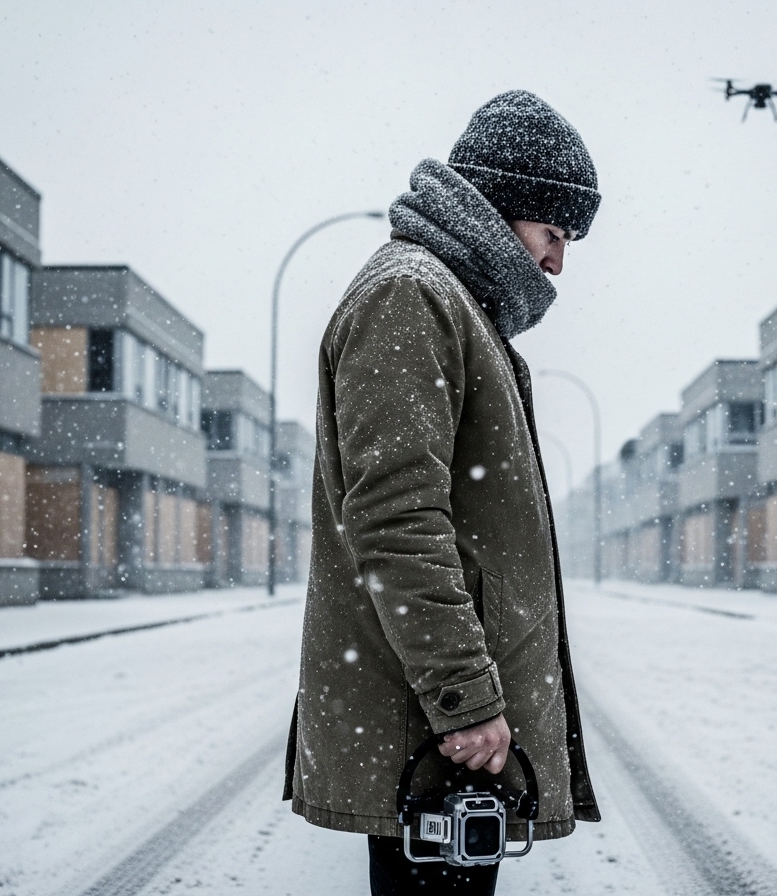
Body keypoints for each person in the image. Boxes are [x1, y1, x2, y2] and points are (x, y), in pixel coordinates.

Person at [283, 89, 602, 895]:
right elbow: (396, 520)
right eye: (554, 233)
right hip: (436, 739)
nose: (556, 263)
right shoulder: (413, 296)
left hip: (440, 738)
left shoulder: (450, 305)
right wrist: (464, 699)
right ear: (502, 207)